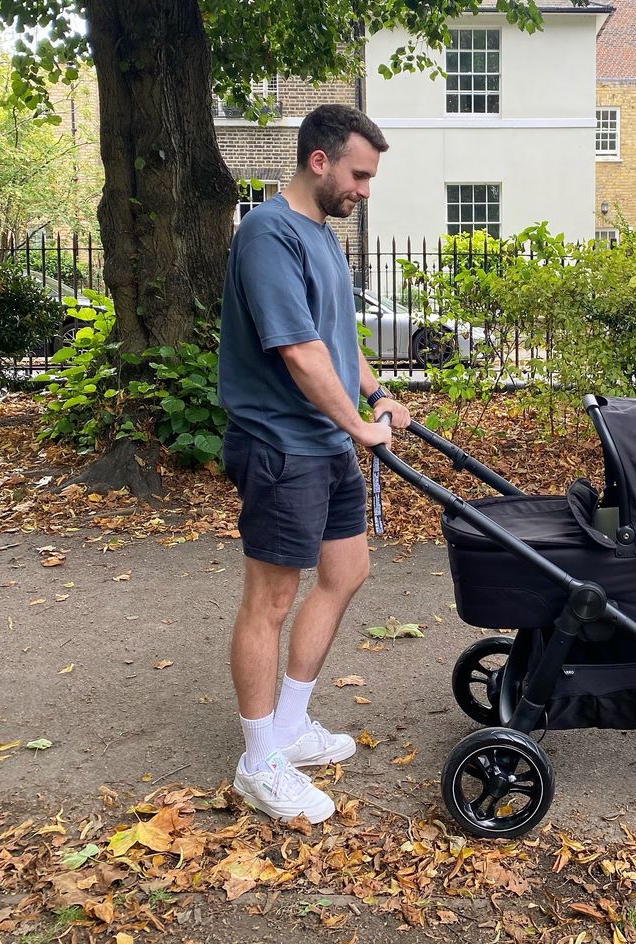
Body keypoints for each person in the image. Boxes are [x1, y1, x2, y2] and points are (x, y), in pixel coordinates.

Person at [218, 104, 411, 824]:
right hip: (279, 444)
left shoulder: (323, 238)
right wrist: (358, 425)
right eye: (360, 174)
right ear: (321, 161)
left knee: (347, 571)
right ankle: (258, 758)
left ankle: (291, 727)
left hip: (325, 442)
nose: (365, 189)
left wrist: (380, 394)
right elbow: (298, 352)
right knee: (269, 600)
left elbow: (337, 339)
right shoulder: (269, 233)